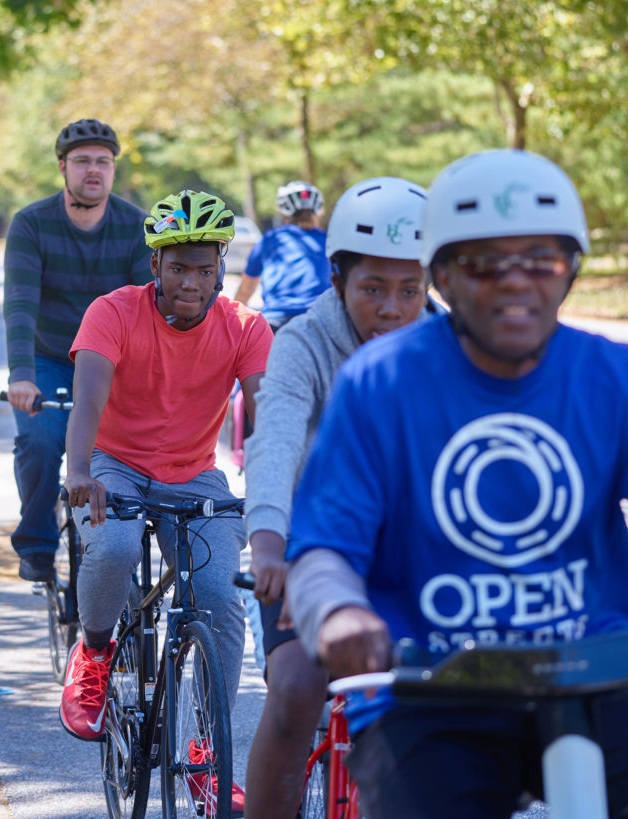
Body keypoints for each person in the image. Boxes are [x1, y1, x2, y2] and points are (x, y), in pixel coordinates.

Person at [285, 149, 628, 819]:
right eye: (484, 264)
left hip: (588, 669)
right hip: (428, 685)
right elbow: (323, 548)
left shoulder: (616, 377)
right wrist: (339, 613)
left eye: (542, 260)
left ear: (570, 273)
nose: (517, 284)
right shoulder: (381, 384)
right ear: (443, 277)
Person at [60, 190, 272, 813]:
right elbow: (89, 400)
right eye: (178, 268)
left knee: (220, 598)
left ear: (222, 269)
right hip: (112, 466)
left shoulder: (245, 326)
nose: (191, 282)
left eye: (204, 269)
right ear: (154, 267)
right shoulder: (113, 312)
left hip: (194, 474)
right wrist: (79, 471)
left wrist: (274, 494)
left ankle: (207, 752)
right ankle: (95, 652)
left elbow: (268, 415)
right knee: (117, 542)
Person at [242, 177, 431, 819]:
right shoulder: (303, 342)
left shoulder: (449, 346)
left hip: (413, 552)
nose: (392, 309)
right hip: (303, 547)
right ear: (337, 277)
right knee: (297, 690)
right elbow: (274, 442)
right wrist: (267, 542)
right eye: (372, 289)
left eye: (410, 290)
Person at [2, 118, 152, 583]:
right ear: (63, 167)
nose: (94, 170)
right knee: (40, 442)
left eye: (103, 162)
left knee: (125, 452)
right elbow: (21, 306)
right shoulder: (31, 224)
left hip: (110, 361)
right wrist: (21, 376)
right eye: (83, 161)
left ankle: (122, 549)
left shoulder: (134, 225)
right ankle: (39, 544)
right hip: (49, 357)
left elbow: (146, 304)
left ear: (113, 170)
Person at [233, 180, 329, 332]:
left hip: (277, 320)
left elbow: (245, 290)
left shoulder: (270, 239)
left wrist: (232, 320)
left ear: (285, 215)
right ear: (317, 214)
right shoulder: (329, 242)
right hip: (321, 318)